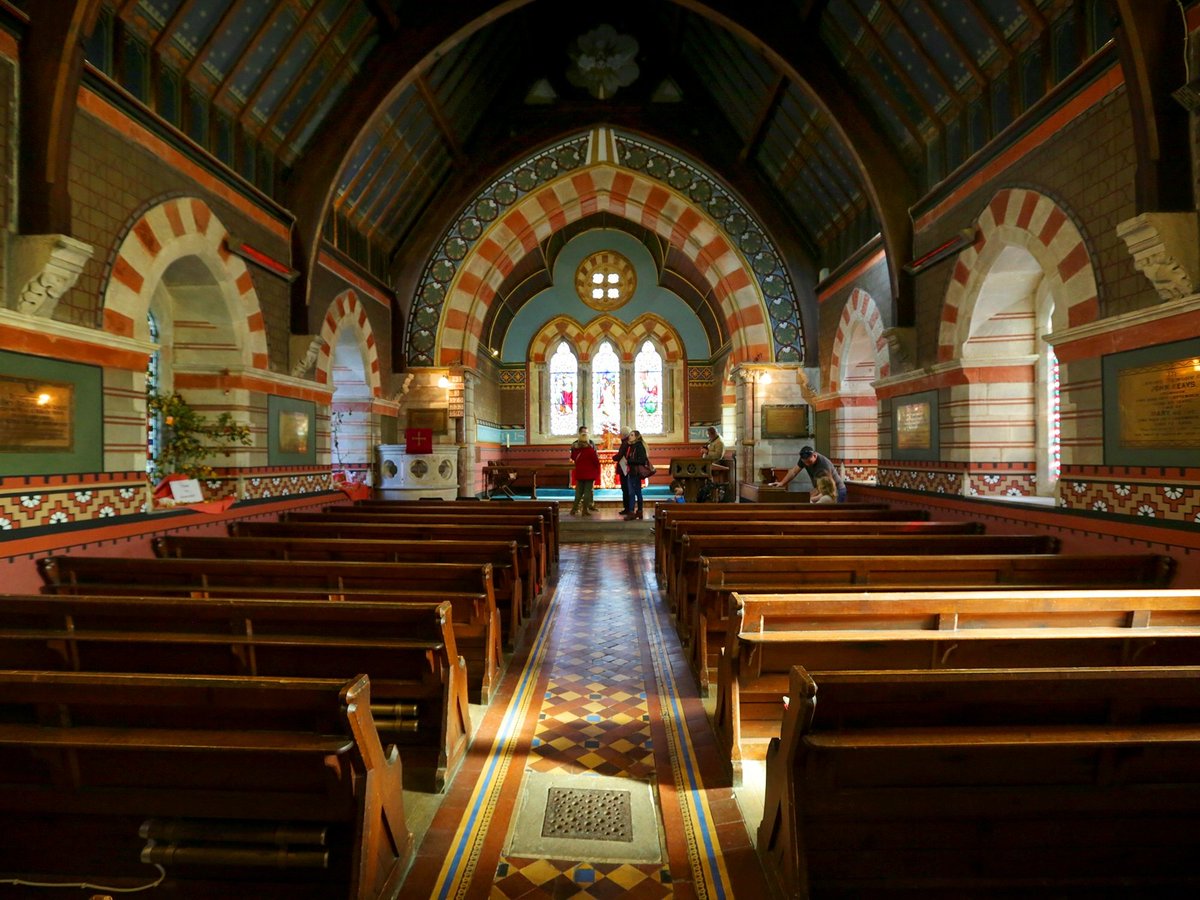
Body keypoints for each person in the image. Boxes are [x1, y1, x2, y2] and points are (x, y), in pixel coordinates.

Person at [771, 445, 847, 503]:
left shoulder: (823, 465)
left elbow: (823, 487)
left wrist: (808, 498)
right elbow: (794, 471)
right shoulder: (805, 459)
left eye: (809, 462)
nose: (807, 465)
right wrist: (782, 483)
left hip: (836, 490)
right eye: (805, 463)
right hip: (822, 489)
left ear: (814, 455)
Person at [569, 427, 600, 516]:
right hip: (589, 474)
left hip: (579, 473)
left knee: (578, 492)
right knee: (587, 492)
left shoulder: (576, 449)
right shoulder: (590, 450)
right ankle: (585, 510)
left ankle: (574, 509)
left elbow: (573, 457)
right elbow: (596, 462)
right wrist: (597, 471)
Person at [624, 429, 651, 519]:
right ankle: (639, 511)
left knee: (632, 492)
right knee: (637, 492)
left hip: (635, 472)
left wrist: (630, 461)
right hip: (632, 472)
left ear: (636, 437)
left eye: (632, 435)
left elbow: (642, 460)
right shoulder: (632, 446)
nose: (629, 436)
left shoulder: (639, 446)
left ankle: (632, 512)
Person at [613, 426, 634, 516]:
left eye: (620, 433)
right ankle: (628, 508)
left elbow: (620, 455)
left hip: (625, 469)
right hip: (626, 468)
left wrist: (614, 457)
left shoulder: (625, 443)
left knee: (626, 489)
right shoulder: (628, 442)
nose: (619, 435)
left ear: (623, 434)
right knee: (626, 489)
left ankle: (628, 508)